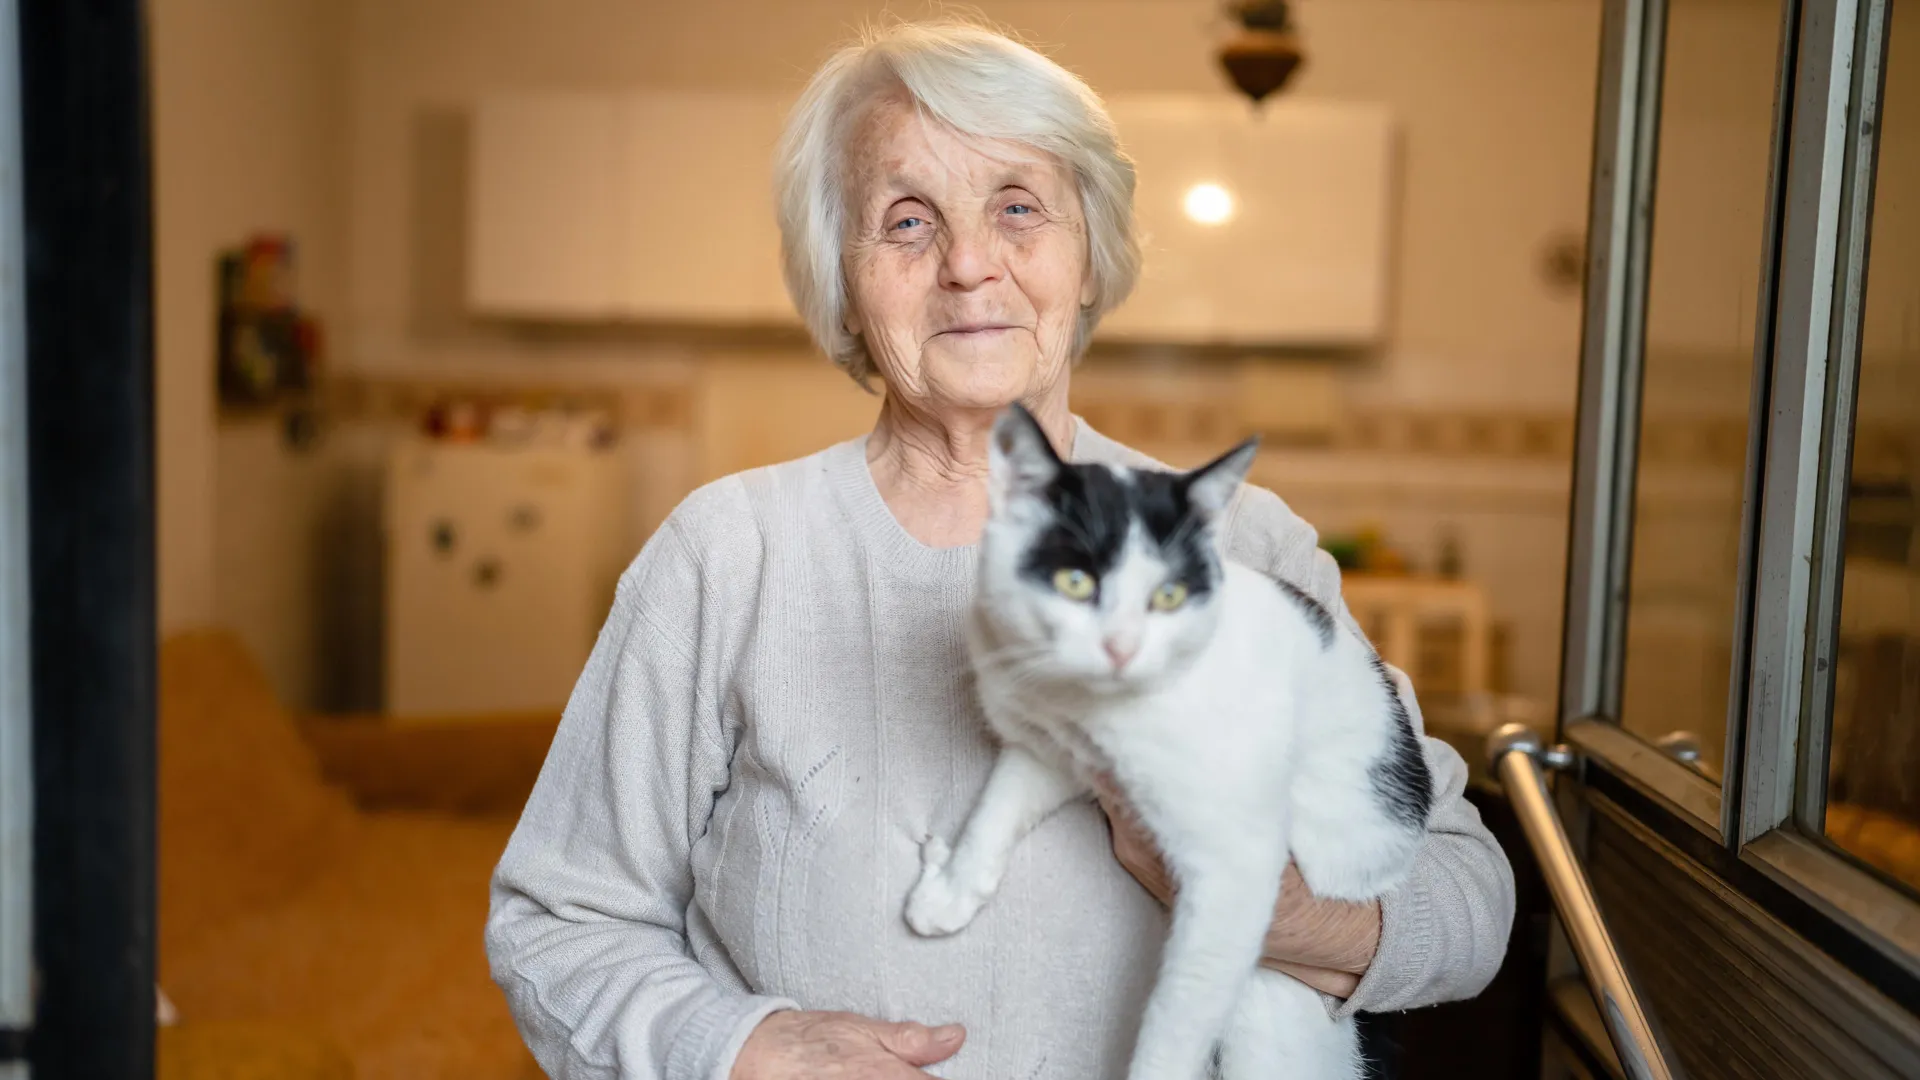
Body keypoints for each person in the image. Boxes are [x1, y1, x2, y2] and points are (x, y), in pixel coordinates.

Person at [486, 19, 1515, 1080]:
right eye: (906, 220)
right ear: (842, 280)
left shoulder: (1238, 543)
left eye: (1017, 208)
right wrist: (743, 1048)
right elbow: (559, 921)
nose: (970, 264)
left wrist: (1287, 915)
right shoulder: (726, 556)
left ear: (1087, 258)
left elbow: (1472, 900)